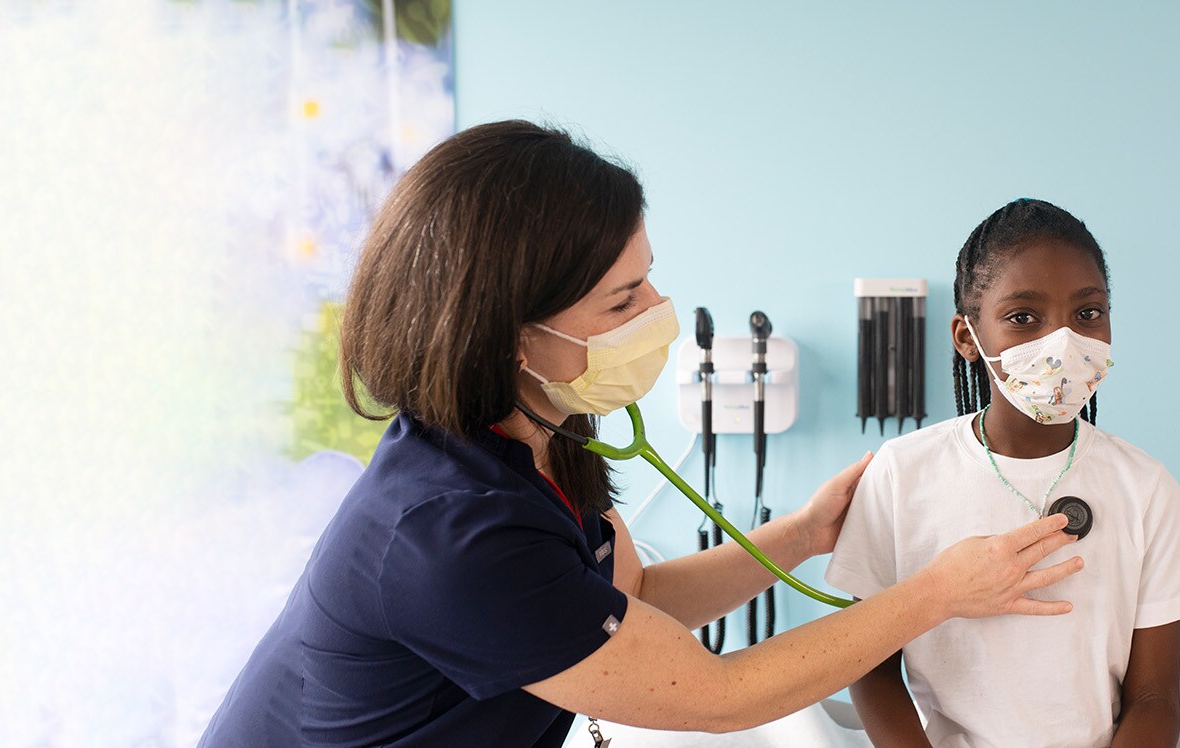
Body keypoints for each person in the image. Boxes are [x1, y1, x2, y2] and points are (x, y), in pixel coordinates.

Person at [200, 122, 1084, 747]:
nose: (658, 313)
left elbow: (623, 604)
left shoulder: (534, 435)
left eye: (647, 281)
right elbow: (717, 694)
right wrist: (934, 595)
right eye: (623, 301)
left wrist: (805, 534)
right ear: (510, 330)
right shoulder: (447, 532)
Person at [827, 198, 1180, 748]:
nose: (1062, 342)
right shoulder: (903, 475)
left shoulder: (1147, 488)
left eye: (1088, 313)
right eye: (1022, 317)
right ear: (968, 336)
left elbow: (1156, 698)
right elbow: (869, 667)